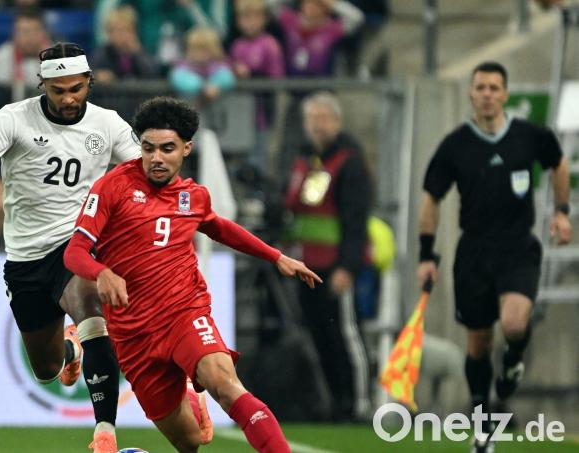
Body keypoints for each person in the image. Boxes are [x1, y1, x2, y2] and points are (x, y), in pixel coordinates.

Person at [64, 96, 323, 453]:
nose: (156, 158)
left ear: (186, 148)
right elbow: (75, 251)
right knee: (190, 442)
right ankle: (187, 392)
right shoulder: (113, 187)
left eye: (167, 149)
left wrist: (275, 256)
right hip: (133, 335)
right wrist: (102, 272)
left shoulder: (193, 197)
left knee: (225, 383)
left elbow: (218, 227)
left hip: (183, 314)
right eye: (148, 148)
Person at [0, 42, 140, 453]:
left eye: (76, 88)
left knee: (91, 312)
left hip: (77, 243)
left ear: (89, 83)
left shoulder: (109, 124)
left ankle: (105, 435)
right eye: (57, 89)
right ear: (41, 83)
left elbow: (143, 172)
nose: (67, 98)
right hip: (25, 258)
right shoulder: (13, 118)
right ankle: (68, 349)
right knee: (46, 369)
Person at [416, 61, 572, 453]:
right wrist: (426, 253)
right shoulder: (456, 145)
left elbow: (558, 162)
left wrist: (561, 212)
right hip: (475, 252)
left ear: (505, 93)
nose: (487, 93)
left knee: (515, 322)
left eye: (494, 87)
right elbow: (432, 198)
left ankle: (515, 358)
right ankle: (483, 426)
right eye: (480, 87)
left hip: (518, 247)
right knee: (478, 342)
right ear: (471, 94)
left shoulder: (528, 136)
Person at [284, 91, 372, 422]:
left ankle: (360, 403)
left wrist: (347, 267)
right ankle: (338, 403)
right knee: (320, 335)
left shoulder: (349, 161)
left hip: (335, 266)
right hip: (306, 266)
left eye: (324, 119)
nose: (317, 126)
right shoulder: (304, 161)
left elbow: (356, 219)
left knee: (345, 335)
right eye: (312, 119)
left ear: (337, 122)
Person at [169, 25, 235, 105]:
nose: (198, 54)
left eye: (203, 50)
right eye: (194, 49)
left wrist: (216, 84)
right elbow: (179, 79)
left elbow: (228, 78)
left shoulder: (218, 65)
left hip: (215, 113)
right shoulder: (183, 66)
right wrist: (203, 86)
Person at [91, 5, 159, 83]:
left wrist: (138, 52)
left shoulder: (140, 52)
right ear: (109, 33)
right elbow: (87, 75)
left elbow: (154, 75)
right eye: (117, 30)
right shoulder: (102, 54)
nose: (121, 35)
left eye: (126, 29)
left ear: (134, 31)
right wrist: (97, 76)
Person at [0, 7, 52, 87]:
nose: (29, 38)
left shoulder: (56, 57)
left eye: (34, 31)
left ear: (44, 34)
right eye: (24, 32)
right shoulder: (1, 56)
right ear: (14, 34)